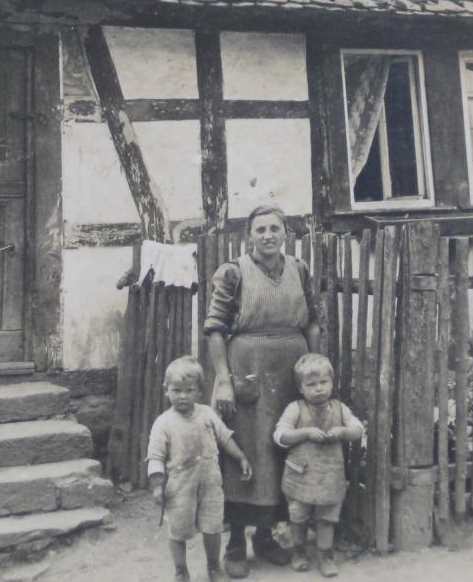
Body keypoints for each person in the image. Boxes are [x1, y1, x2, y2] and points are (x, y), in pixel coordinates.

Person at [205, 204, 323, 579]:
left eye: (275, 228)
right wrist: (223, 379)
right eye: (260, 230)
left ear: (285, 233)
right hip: (248, 368)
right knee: (246, 449)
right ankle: (236, 540)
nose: (268, 235)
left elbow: (314, 322)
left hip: (292, 370)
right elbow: (215, 330)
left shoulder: (299, 270)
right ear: (249, 236)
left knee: (280, 451)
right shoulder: (233, 273)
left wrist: (315, 364)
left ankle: (267, 537)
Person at [148, 356, 254, 582]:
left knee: (213, 526)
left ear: (199, 391)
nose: (183, 396)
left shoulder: (207, 413)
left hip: (210, 482)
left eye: (189, 390)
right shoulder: (163, 423)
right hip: (179, 486)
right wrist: (157, 486)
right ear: (166, 390)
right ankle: (180, 570)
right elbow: (155, 457)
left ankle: (214, 566)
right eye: (176, 390)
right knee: (178, 530)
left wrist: (241, 457)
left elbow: (225, 438)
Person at [273, 354, 364, 577]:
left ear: (332, 383)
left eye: (324, 382)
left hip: (329, 477)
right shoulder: (295, 408)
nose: (319, 389)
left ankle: (325, 554)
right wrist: (305, 433)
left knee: (327, 517)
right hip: (300, 477)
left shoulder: (340, 409)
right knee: (298, 516)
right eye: (311, 384)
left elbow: (359, 429)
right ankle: (299, 552)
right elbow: (280, 435)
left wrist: (343, 431)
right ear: (300, 388)